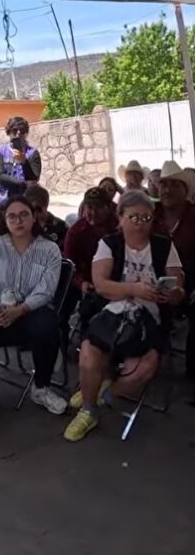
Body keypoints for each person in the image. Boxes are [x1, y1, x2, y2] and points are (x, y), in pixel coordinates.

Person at [64, 190, 185, 441]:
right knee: (89, 355)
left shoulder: (163, 245)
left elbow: (178, 283)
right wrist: (133, 289)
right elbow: (101, 285)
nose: (140, 223)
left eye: (146, 218)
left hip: (149, 319)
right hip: (110, 314)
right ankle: (88, 410)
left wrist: (173, 293)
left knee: (144, 369)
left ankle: (102, 394)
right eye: (134, 217)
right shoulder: (110, 244)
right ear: (121, 217)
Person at [0, 197, 67, 414]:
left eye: (23, 215)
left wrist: (19, 311)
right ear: (5, 219)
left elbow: (46, 290)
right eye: (12, 216)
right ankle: (42, 347)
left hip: (31, 310)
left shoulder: (49, 249)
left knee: (47, 326)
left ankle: (41, 387)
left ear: (34, 217)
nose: (18, 221)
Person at [151, 160, 195, 380]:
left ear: (185, 190)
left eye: (174, 185)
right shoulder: (150, 214)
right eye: (163, 184)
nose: (167, 190)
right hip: (152, 281)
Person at [63, 187, 119, 333]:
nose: (93, 212)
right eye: (89, 207)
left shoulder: (119, 227)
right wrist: (81, 283)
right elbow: (70, 265)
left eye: (98, 207)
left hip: (117, 282)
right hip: (87, 284)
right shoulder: (75, 232)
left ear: (109, 208)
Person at [0, 116, 41, 206]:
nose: (18, 133)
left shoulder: (33, 153)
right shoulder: (1, 151)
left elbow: (34, 178)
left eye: (22, 130)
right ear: (9, 132)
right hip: (5, 202)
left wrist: (24, 162)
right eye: (15, 130)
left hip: (27, 202)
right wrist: (21, 183)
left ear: (26, 132)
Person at [25, 185, 68, 250]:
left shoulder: (61, 227)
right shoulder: (21, 225)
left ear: (46, 205)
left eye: (37, 209)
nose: (34, 213)